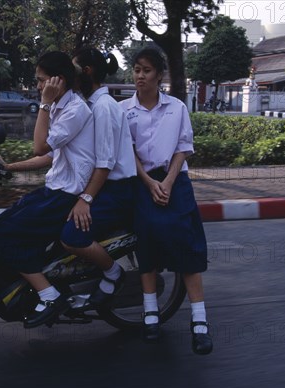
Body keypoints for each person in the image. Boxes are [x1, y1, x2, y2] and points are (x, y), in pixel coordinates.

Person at [0, 51, 95, 329]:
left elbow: (40, 147)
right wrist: (7, 167)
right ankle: (29, 288)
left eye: (41, 81)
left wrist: (44, 105)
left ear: (58, 81)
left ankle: (49, 295)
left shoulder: (74, 110)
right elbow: (48, 158)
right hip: (53, 189)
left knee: (1, 235)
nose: (37, 87)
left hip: (65, 195)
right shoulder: (62, 106)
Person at [120, 46, 213, 355]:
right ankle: (150, 314)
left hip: (175, 181)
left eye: (146, 70)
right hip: (142, 182)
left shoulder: (176, 107)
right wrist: (149, 183)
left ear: (159, 75)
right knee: (145, 244)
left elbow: (183, 147)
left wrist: (169, 182)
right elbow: (126, 151)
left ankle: (199, 321)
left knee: (186, 244)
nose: (140, 76)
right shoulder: (124, 111)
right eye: (136, 70)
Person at [60, 47, 136, 307]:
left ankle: (113, 273)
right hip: (106, 187)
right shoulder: (91, 104)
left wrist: (86, 199)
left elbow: (104, 164)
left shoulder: (103, 108)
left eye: (74, 69)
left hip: (117, 192)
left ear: (87, 72)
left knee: (71, 235)